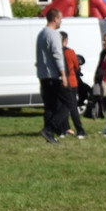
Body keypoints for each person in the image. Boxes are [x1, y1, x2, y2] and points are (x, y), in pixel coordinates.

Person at [36, 9, 67, 144]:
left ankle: (49, 134)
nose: (61, 21)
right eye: (60, 18)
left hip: (43, 75)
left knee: (50, 107)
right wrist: (63, 74)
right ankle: (49, 129)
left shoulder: (41, 33)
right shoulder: (53, 35)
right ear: (55, 19)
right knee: (67, 104)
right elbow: (57, 55)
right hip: (53, 76)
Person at [59, 31, 88, 139]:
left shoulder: (55, 52)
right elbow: (76, 65)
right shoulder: (70, 52)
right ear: (65, 40)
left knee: (62, 106)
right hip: (71, 82)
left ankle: (63, 129)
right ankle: (80, 130)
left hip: (59, 82)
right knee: (73, 107)